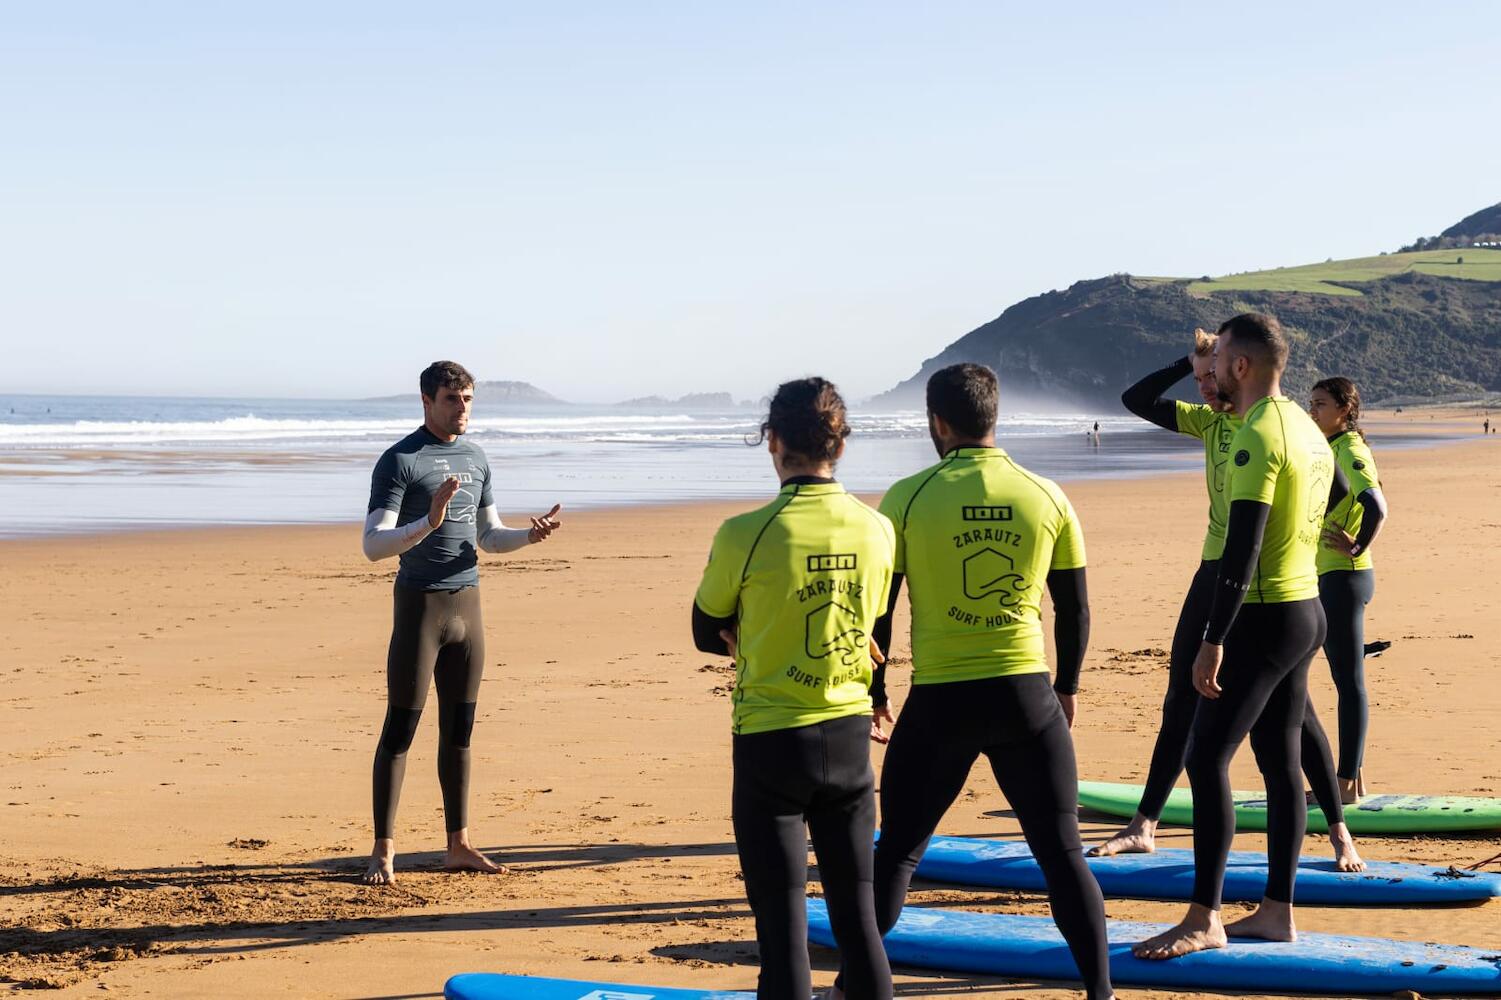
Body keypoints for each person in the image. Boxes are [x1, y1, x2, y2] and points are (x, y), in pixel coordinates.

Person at [844, 363, 1114, 1000]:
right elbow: (1073, 608)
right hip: (1027, 696)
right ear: (995, 415)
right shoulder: (1046, 495)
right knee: (1063, 856)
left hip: (941, 702)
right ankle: (1101, 994)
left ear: (937, 422)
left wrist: (874, 694)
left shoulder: (908, 496)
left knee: (899, 855)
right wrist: (1067, 686)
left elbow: (880, 608)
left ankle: (849, 989)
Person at [1095, 331, 1364, 872]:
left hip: (1256, 580)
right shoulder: (1211, 422)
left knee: (1294, 717)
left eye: (1210, 373)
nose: (1203, 386)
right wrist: (1188, 359)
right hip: (1215, 572)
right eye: (1197, 378)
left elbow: (1335, 492)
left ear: (1234, 369)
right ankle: (1145, 824)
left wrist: (1297, 539)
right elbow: (1136, 400)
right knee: (1180, 699)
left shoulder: (1265, 428)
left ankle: (1338, 830)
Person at [1135, 313, 1336, 960]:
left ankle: (1204, 918)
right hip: (1304, 608)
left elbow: (1242, 546)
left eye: (1218, 356)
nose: (1210, 366)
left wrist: (1212, 637)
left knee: (1205, 757)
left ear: (1241, 366)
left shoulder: (1254, 434)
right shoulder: (1306, 428)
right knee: (1278, 763)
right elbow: (1317, 506)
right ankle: (1277, 911)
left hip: (1260, 615)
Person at [691, 377, 895, 1000]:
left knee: (783, 936)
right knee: (861, 930)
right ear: (841, 442)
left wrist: (746, 628)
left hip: (771, 745)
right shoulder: (877, 528)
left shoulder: (744, 531)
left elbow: (704, 628)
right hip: (850, 738)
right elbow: (870, 621)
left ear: (773, 441)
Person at [361, 361, 564, 886]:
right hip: (421, 609)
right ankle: (384, 850)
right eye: (452, 399)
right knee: (401, 729)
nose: (462, 409)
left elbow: (489, 536)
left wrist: (529, 536)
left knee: (460, 730)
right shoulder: (400, 461)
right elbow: (372, 546)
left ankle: (459, 844)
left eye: (468, 399)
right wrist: (426, 523)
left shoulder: (476, 458)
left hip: (467, 607)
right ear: (427, 401)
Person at [1309, 377, 1388, 802]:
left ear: (1345, 409)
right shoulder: (1331, 447)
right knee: (1345, 674)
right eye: (1310, 403)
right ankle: (1352, 779)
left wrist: (1358, 545)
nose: (1312, 411)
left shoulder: (1351, 450)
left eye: (1320, 404)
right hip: (1333, 576)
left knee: (1348, 682)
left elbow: (1376, 505)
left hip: (1345, 576)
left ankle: (1343, 783)